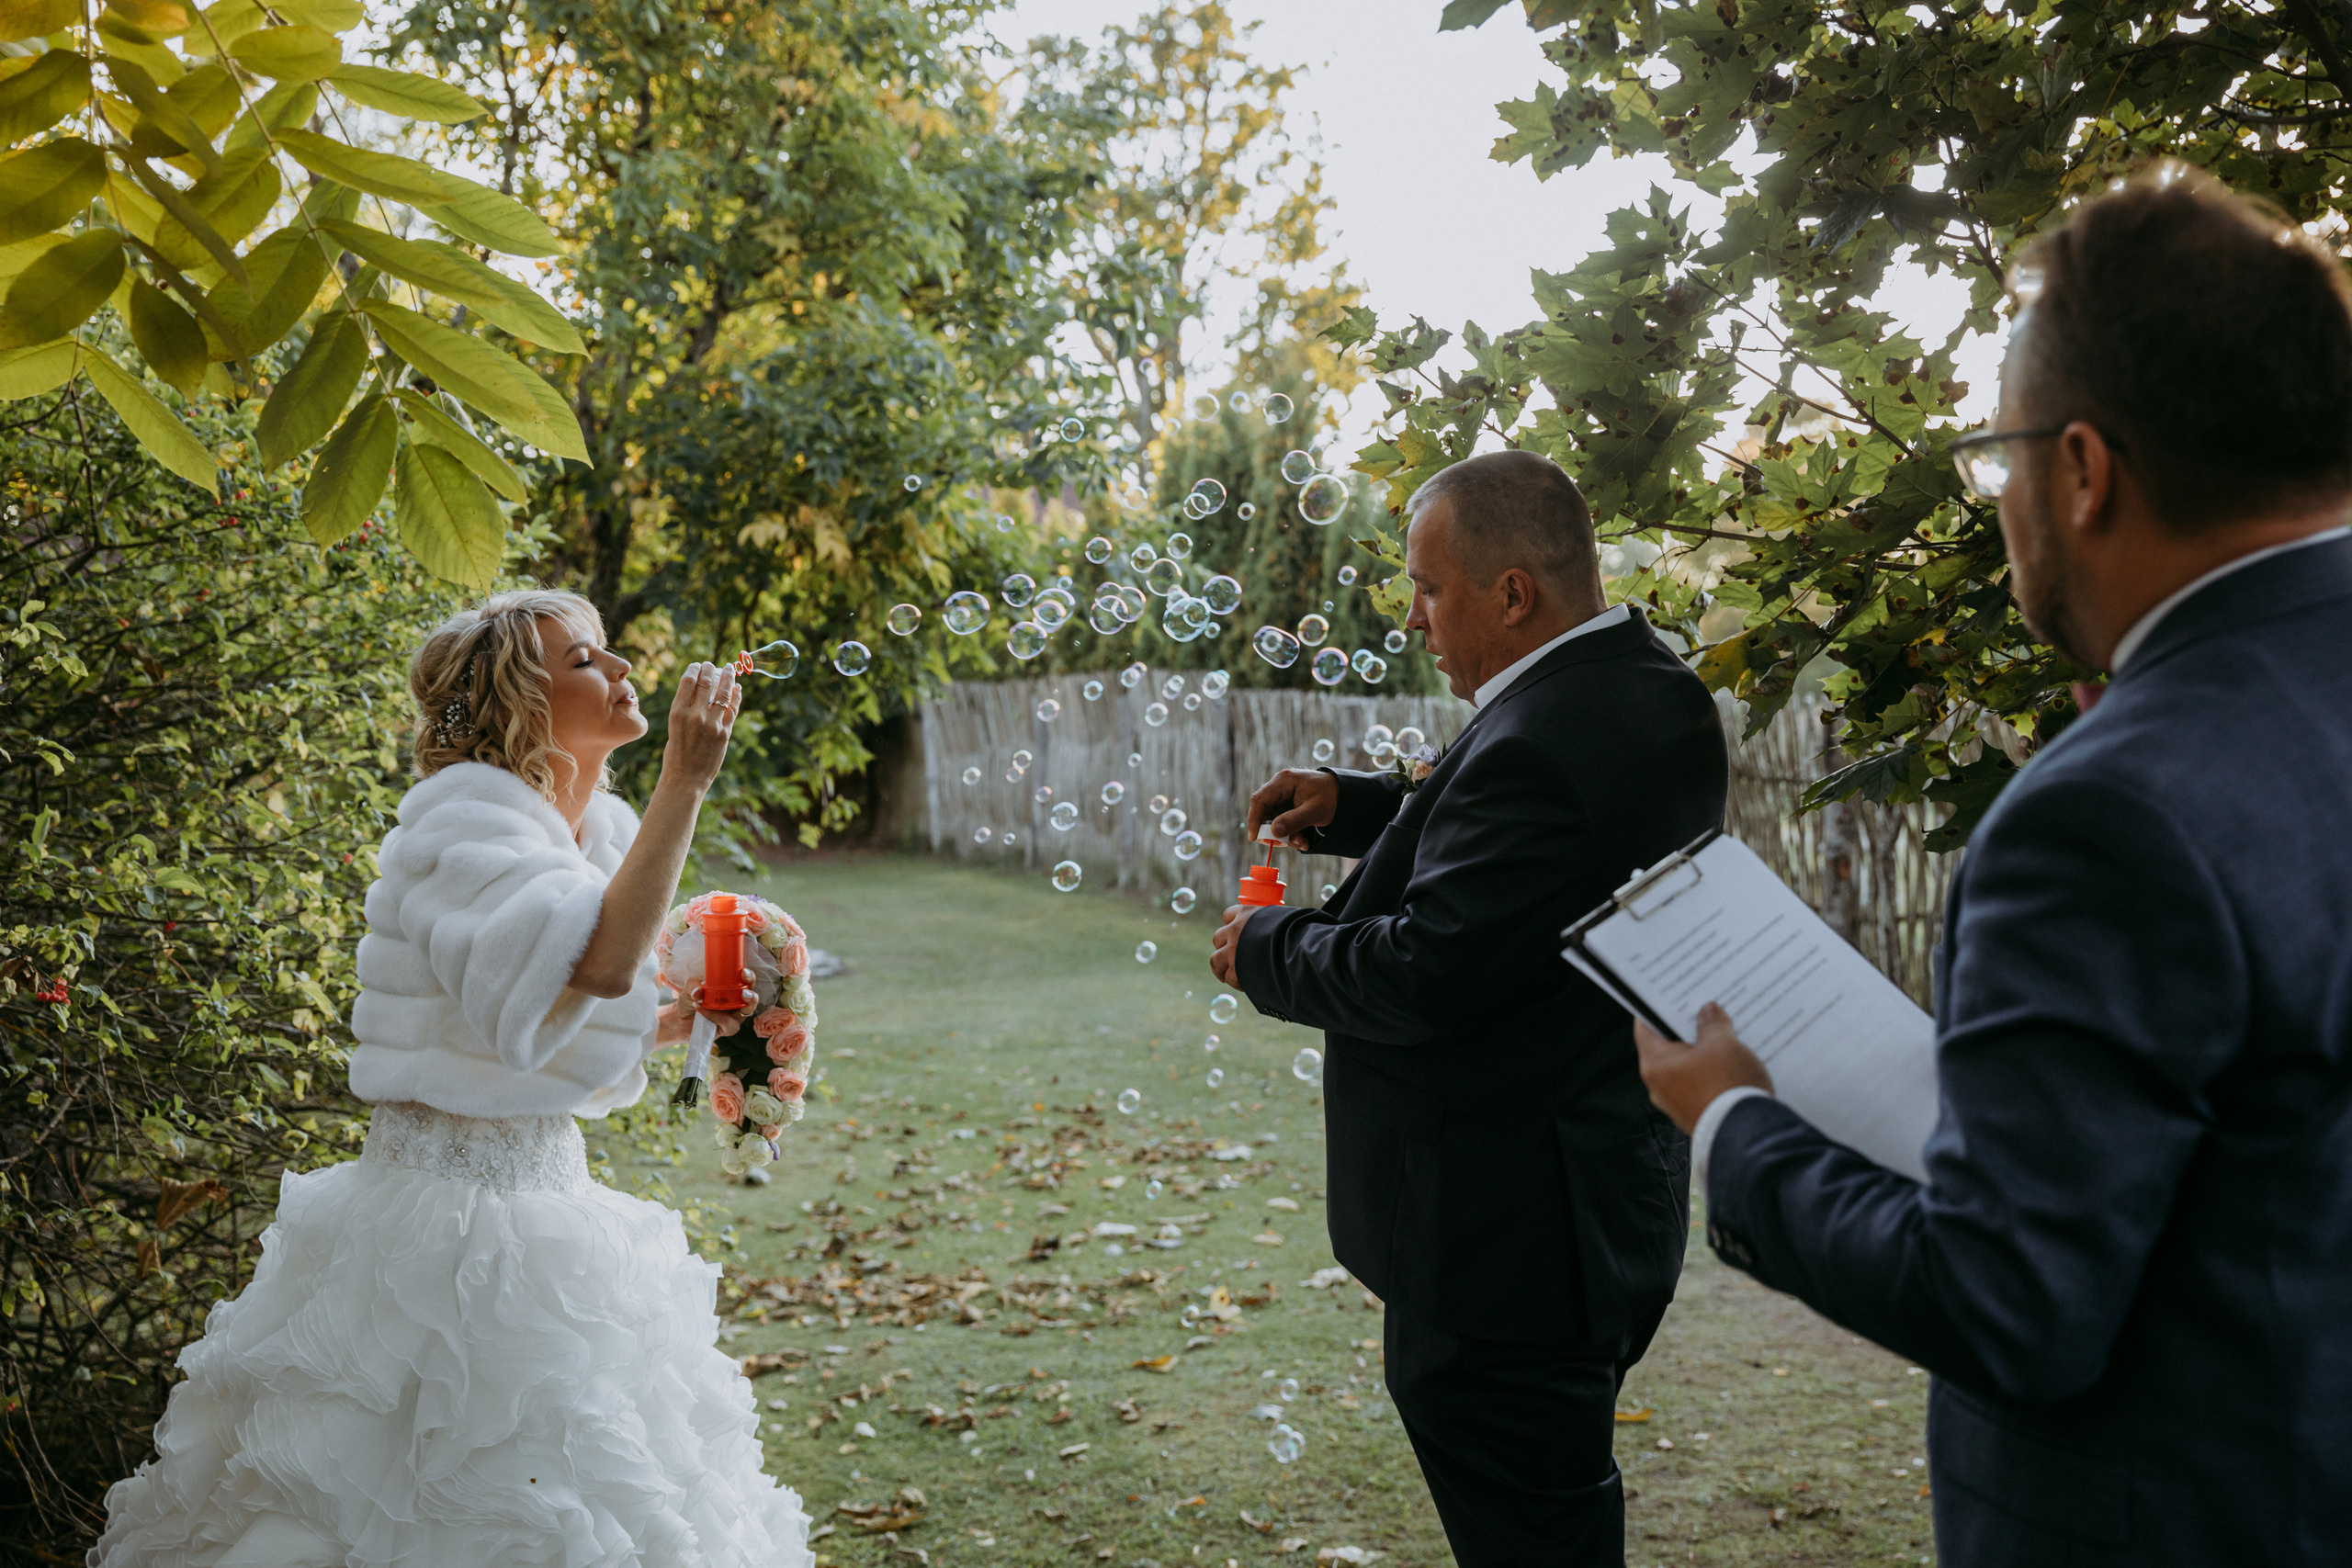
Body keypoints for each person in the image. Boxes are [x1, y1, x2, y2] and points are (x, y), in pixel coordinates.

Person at [1634, 162, 2352, 1567]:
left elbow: (2010, 1300)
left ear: (2082, 471)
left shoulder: (2115, 816)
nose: (2003, 491)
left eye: (2001, 451)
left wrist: (1732, 1122)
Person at [88, 591, 815, 1568]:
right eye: (586, 660)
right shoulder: (463, 824)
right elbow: (595, 966)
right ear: (524, 702)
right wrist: (685, 779)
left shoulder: (588, 831)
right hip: (431, 1225)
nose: (624, 672)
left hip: (547, 1197)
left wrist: (678, 1021)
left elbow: (545, 1017)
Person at [1209, 450, 1728, 1565]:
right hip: (1588, 1198)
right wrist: (1358, 807)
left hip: (1505, 1247)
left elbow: (1429, 970)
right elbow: (1525, 860)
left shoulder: (1549, 734)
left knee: (1535, 1538)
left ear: (1511, 594)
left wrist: (1269, 948)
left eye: (1429, 588)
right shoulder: (1637, 690)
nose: (1413, 616)